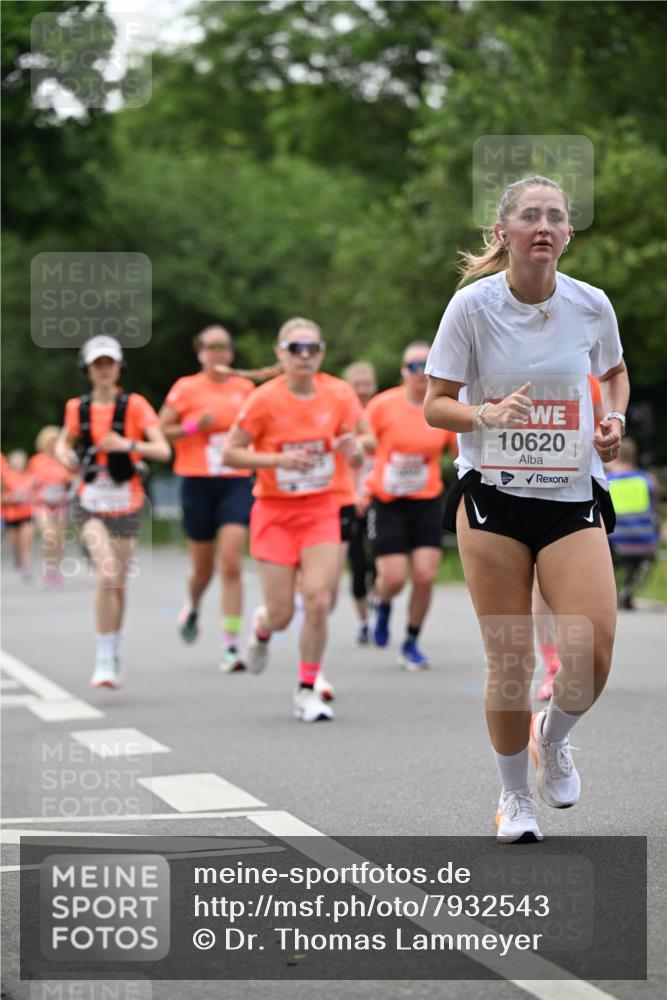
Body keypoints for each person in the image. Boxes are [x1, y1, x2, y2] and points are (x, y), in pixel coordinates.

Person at [424, 175, 629, 843]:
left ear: (568, 234)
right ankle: (514, 797)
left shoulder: (591, 305)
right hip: (493, 497)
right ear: (502, 234)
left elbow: (613, 371)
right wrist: (483, 413)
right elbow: (434, 403)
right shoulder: (471, 308)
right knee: (510, 660)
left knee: (593, 649)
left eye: (556, 217)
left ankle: (555, 734)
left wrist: (612, 417)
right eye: (529, 216)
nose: (543, 226)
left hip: (570, 495)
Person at [223, 317, 364, 722]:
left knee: (319, 599)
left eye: (312, 348)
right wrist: (277, 459)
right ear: (280, 354)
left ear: (320, 352)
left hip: (319, 507)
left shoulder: (338, 393)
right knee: (282, 612)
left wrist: (354, 447)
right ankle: (263, 628)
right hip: (274, 512)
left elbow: (365, 441)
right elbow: (231, 453)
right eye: (295, 349)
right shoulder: (263, 400)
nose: (304, 356)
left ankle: (307, 689)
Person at [56, 336, 170, 688]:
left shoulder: (134, 406)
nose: (104, 370)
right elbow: (63, 441)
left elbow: (163, 450)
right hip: (89, 501)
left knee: (117, 584)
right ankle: (103, 655)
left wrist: (127, 445)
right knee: (106, 574)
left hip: (127, 503)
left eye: (110, 364)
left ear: (120, 367)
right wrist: (64, 455)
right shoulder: (78, 407)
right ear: (87, 370)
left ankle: (114, 644)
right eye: (97, 365)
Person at [159, 326, 256, 672]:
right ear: (199, 352)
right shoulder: (186, 389)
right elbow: (160, 431)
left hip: (235, 481)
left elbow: (261, 429)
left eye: (224, 347)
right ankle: (194, 604)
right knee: (203, 569)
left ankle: (231, 644)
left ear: (231, 352)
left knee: (231, 562)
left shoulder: (245, 389)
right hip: (197, 481)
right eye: (211, 347)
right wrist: (192, 428)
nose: (218, 353)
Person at [365, 342, 457, 669]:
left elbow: (460, 456)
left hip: (427, 500)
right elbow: (361, 445)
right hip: (387, 501)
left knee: (425, 575)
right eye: (413, 367)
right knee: (392, 579)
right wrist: (358, 489)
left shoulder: (442, 407)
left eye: (426, 366)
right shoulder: (381, 406)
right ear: (403, 372)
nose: (420, 373)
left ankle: (411, 642)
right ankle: (382, 603)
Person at [533, 374, 604, 701]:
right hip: (522, 489)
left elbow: (601, 427)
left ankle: (580, 659)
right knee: (541, 586)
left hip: (572, 491)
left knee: (578, 589)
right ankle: (551, 664)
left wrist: (609, 437)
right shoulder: (511, 364)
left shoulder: (586, 378)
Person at [343, 361, 378, 644]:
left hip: (378, 495)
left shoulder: (380, 413)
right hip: (350, 497)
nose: (363, 390)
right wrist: (353, 492)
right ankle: (363, 621)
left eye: (368, 384)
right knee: (357, 563)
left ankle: (377, 601)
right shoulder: (342, 416)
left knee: (379, 557)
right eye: (358, 385)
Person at [606, 437, 661, 609]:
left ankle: (608, 591)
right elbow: (655, 510)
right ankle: (628, 590)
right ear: (634, 457)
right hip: (645, 544)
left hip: (615, 545)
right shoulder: (648, 480)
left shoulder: (606, 480)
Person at [28, 426, 72, 586]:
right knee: (49, 535)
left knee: (59, 539)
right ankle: (48, 567)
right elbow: (29, 483)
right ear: (43, 443)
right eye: (50, 441)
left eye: (56, 441)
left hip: (61, 503)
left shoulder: (64, 459)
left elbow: (73, 478)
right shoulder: (36, 461)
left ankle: (56, 569)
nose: (53, 444)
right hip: (42, 504)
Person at [1, 449, 34, 580]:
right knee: (16, 544)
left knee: (26, 542)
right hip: (11, 516)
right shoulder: (6, 477)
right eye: (17, 461)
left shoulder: (29, 476)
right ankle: (17, 558)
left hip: (27, 515)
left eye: (21, 461)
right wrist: (12, 498)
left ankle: (27, 568)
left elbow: (35, 494)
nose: (19, 463)